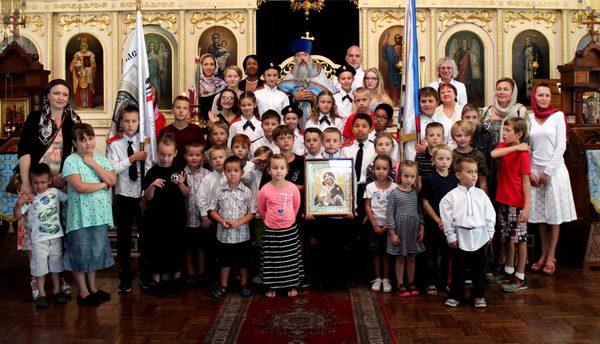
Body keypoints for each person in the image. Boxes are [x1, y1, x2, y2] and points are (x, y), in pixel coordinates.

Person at [18, 79, 80, 300]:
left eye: (64, 94)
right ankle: (36, 279)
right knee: (34, 234)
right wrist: (26, 183)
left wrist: (65, 177)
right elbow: (24, 151)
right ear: (48, 95)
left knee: (56, 234)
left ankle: (56, 276)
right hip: (36, 182)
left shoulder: (73, 120)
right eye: (56, 93)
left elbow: (77, 152)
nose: (61, 98)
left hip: (60, 185)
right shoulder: (35, 118)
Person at [62, 123, 116, 306]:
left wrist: (93, 163)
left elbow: (112, 179)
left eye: (90, 138)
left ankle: (92, 288)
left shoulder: (100, 159)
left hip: (99, 216)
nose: (87, 143)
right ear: (75, 142)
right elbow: (79, 186)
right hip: (80, 217)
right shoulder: (71, 160)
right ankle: (82, 292)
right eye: (82, 140)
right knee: (80, 252)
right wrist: (102, 185)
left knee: (94, 251)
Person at [528, 83, 577, 275]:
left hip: (554, 171)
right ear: (535, 97)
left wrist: (548, 171)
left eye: (547, 95)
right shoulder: (529, 117)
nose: (543, 98)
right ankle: (542, 254)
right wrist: (532, 171)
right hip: (535, 172)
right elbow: (528, 147)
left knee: (553, 216)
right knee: (541, 216)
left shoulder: (557, 116)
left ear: (551, 97)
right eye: (540, 95)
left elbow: (561, 147)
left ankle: (551, 256)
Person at [106, 105, 152, 294]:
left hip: (141, 196)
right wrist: (131, 159)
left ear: (139, 122)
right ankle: (125, 278)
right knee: (123, 238)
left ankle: (145, 274)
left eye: (134, 121)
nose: (130, 124)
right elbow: (111, 168)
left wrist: (146, 193)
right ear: (121, 123)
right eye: (127, 121)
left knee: (145, 236)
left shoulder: (146, 142)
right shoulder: (114, 143)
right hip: (123, 195)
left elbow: (150, 167)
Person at [441, 157, 496, 308]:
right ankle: (455, 294)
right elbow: (446, 218)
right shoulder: (450, 197)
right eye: (469, 171)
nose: (474, 175)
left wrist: (490, 233)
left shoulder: (481, 195)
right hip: (460, 237)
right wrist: (451, 235)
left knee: (479, 267)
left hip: (479, 236)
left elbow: (490, 215)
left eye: (476, 172)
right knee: (458, 269)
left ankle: (479, 294)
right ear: (458, 174)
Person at [16, 163, 69, 309]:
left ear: (50, 180)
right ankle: (42, 294)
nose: (40, 186)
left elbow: (70, 198)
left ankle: (57, 291)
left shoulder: (55, 192)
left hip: (56, 237)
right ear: (31, 182)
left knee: (56, 266)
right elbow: (17, 215)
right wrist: (19, 204)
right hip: (38, 240)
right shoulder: (30, 198)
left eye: (43, 182)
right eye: (36, 183)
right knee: (39, 268)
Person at [143, 135, 189, 297]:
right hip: (156, 218)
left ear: (175, 153)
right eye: (162, 154)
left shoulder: (178, 171)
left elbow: (186, 194)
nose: (165, 158)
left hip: (176, 217)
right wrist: (152, 186)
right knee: (157, 248)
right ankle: (156, 279)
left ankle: (176, 278)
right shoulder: (152, 172)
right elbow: (147, 198)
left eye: (169, 155)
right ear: (157, 153)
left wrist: (181, 183)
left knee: (176, 247)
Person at [490, 117, 531, 292]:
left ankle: (520, 276)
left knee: (519, 240)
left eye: (508, 131)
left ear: (519, 134)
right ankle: (508, 271)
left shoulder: (523, 155)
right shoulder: (505, 147)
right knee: (507, 237)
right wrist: (516, 146)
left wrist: (527, 206)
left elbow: (526, 182)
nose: (504, 133)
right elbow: (493, 154)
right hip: (504, 200)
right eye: (504, 130)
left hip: (517, 202)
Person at [209, 156, 257, 298]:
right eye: (229, 171)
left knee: (243, 262)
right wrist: (221, 221)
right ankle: (223, 285)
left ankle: (244, 285)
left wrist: (239, 222)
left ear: (241, 173)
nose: (232, 174)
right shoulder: (219, 191)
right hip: (224, 235)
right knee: (224, 262)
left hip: (242, 234)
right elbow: (212, 210)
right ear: (224, 172)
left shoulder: (247, 192)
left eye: (236, 170)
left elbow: (252, 212)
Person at [258, 154, 303, 298]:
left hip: (289, 229)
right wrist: (269, 222)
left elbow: (296, 207)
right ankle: (272, 286)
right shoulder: (265, 189)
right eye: (275, 168)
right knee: (272, 259)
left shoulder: (292, 188)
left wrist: (288, 220)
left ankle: (292, 285)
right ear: (269, 170)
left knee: (290, 258)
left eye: (282, 168)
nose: (278, 171)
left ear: (287, 170)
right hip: (271, 229)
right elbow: (261, 209)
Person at [420, 145, 458, 296]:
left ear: (452, 161)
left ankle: (444, 282)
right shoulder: (430, 178)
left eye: (447, 158)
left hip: (449, 223)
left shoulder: (454, 179)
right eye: (440, 158)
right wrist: (437, 219)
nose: (444, 162)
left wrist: (450, 220)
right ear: (433, 160)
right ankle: (431, 282)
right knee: (431, 252)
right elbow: (425, 202)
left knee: (447, 253)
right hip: (433, 221)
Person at [387, 160, 425, 297]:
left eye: (412, 176)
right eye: (406, 176)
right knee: (400, 258)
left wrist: (422, 226)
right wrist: (392, 233)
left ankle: (411, 282)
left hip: (413, 230)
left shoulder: (415, 193)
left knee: (411, 258)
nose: (409, 180)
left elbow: (419, 211)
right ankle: (400, 284)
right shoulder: (393, 193)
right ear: (399, 176)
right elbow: (389, 214)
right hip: (399, 230)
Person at [279, 36, 333, 121]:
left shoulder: (319, 72)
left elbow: (329, 96)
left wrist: (314, 98)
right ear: (294, 59)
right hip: (295, 120)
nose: (302, 58)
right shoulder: (290, 75)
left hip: (318, 117)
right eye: (298, 55)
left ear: (310, 57)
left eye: (305, 54)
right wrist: (295, 99)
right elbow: (281, 98)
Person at [364, 155, 397, 293]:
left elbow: (396, 207)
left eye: (384, 168)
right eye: (378, 168)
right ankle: (377, 278)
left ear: (390, 170)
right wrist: (375, 225)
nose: (381, 171)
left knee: (387, 253)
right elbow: (367, 206)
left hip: (390, 227)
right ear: (373, 170)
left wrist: (388, 226)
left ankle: (386, 278)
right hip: (375, 225)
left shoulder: (395, 187)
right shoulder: (370, 187)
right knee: (376, 252)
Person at [182, 142, 210, 287]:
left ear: (202, 157)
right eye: (190, 155)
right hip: (186, 217)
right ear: (185, 156)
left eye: (197, 155)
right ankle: (190, 273)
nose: (194, 158)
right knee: (187, 247)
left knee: (201, 247)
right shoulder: (180, 174)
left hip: (201, 218)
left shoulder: (207, 174)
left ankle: (202, 273)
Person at [159, 96, 206, 169]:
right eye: (178, 107)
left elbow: (203, 153)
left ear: (189, 112)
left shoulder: (196, 130)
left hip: (192, 170)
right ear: (172, 110)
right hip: (169, 170)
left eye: (185, 108)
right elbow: (160, 154)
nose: (181, 111)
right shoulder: (164, 131)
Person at [259, 125, 305, 191]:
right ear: (275, 142)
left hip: (299, 200)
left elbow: (308, 185)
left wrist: (287, 188)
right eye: (282, 138)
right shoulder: (272, 162)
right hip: (276, 200)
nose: (286, 140)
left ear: (293, 140)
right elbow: (263, 188)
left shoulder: (302, 161)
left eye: (289, 137)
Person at [451, 120, 488, 192]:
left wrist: (483, 197)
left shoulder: (478, 155)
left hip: (474, 193)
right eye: (459, 135)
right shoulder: (451, 155)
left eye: (466, 135)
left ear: (471, 136)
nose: (463, 138)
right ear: (453, 137)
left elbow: (482, 181)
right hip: (455, 194)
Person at [432, 83, 464, 149]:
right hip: (439, 149)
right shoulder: (434, 111)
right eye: (442, 92)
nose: (446, 94)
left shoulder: (463, 110)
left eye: (449, 91)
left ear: (455, 94)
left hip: (460, 148)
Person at [196, 53, 226, 120]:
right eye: (206, 64)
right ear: (201, 66)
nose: (209, 67)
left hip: (217, 122)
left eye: (211, 64)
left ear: (215, 66)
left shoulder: (222, 84)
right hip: (199, 121)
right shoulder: (196, 84)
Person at [69, 37, 96, 109]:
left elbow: (94, 66)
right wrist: (77, 65)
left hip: (88, 75)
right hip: (79, 76)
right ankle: (80, 105)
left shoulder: (91, 54)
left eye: (85, 45)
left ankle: (88, 105)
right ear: (80, 46)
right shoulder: (77, 54)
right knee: (80, 90)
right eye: (82, 46)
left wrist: (90, 66)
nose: (83, 47)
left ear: (87, 46)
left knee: (88, 90)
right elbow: (72, 66)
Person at [415, 122, 445, 188]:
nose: (435, 138)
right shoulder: (420, 156)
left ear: (443, 139)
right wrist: (421, 195)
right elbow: (418, 179)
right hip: (425, 192)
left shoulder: (447, 156)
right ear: (426, 139)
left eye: (438, 135)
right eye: (431, 135)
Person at [413, 87, 440, 157]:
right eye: (423, 101)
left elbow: (450, 146)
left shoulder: (446, 122)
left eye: (430, 101)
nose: (427, 104)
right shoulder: (413, 124)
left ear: (437, 103)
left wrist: (428, 149)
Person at [380, 33, 403, 103]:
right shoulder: (390, 48)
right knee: (392, 85)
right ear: (395, 39)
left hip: (402, 71)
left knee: (402, 84)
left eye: (399, 38)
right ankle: (394, 100)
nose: (398, 39)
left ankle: (401, 100)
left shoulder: (406, 48)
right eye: (396, 38)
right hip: (392, 71)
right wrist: (387, 36)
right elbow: (384, 45)